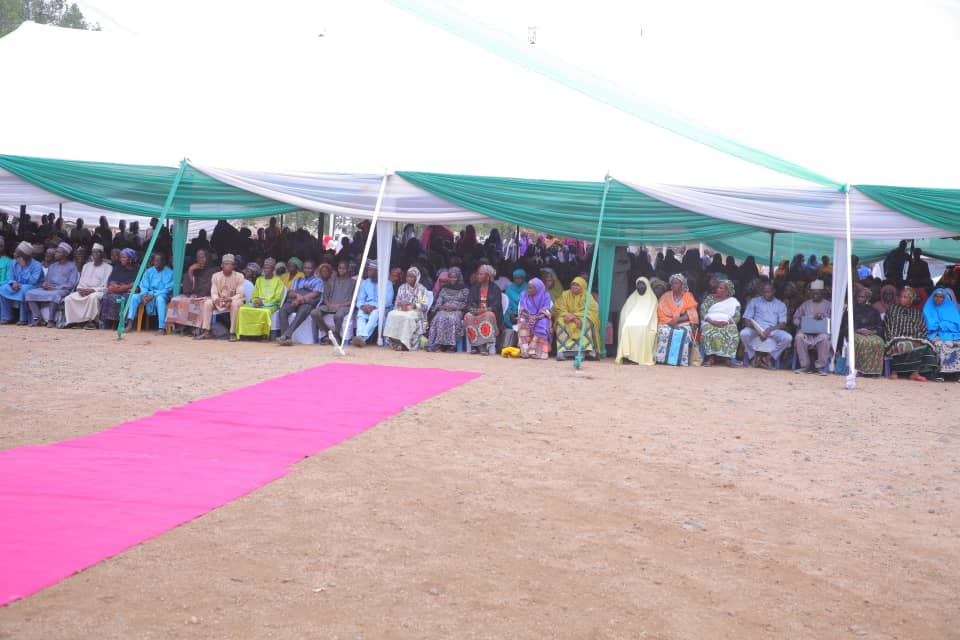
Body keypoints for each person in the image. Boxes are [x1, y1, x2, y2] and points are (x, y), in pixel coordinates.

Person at [884, 286, 939, 381]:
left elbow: (922, 328)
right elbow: (888, 325)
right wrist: (895, 336)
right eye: (901, 296)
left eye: (905, 297)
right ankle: (894, 371)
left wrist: (914, 336)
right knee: (902, 344)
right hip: (896, 337)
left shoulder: (917, 312)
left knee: (923, 346)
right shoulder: (892, 309)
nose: (902, 299)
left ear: (911, 299)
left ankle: (915, 372)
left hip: (915, 337)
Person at [25, 242, 78, 327]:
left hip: (62, 290)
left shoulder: (72, 266)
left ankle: (51, 320)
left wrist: (55, 288)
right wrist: (45, 285)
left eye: (58, 252)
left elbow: (71, 284)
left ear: (65, 254)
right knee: (29, 293)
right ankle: (38, 318)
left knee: (55, 295)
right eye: (56, 251)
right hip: (49, 289)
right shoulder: (52, 266)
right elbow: (47, 281)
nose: (55, 254)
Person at [739, 282, 791, 369]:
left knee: (788, 338)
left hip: (772, 330)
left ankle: (768, 358)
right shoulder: (754, 301)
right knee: (743, 334)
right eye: (764, 292)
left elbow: (783, 324)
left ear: (774, 291)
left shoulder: (780, 305)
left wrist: (769, 330)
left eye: (769, 292)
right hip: (756, 329)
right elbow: (747, 319)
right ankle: (754, 357)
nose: (766, 294)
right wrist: (758, 330)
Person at [165, 249, 216, 335]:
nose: (201, 260)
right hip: (194, 295)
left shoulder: (213, 270)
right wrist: (190, 271)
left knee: (199, 303)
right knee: (176, 300)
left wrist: (197, 294)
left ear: (208, 258)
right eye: (198, 258)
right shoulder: (194, 269)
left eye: (203, 257)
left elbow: (207, 287)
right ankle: (182, 327)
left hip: (207, 295)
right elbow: (187, 289)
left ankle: (195, 328)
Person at [838, 285, 886, 376]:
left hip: (870, 333)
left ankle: (873, 371)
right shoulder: (850, 309)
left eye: (862, 297)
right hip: (854, 333)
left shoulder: (873, 310)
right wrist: (856, 331)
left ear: (867, 298)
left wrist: (872, 332)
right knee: (861, 342)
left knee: (879, 342)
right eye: (858, 296)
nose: (859, 298)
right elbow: (845, 324)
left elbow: (879, 326)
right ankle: (858, 369)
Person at [654, 273, 700, 366]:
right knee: (664, 331)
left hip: (682, 322)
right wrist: (670, 322)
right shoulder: (665, 296)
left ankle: (680, 360)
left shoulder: (688, 296)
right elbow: (660, 312)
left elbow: (691, 313)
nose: (674, 285)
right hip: (667, 322)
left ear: (682, 285)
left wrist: (677, 320)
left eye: (677, 283)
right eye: (673, 283)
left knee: (684, 332)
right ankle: (662, 359)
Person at [198, 254, 246, 341]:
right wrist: (216, 299)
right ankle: (206, 331)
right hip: (220, 300)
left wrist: (230, 299)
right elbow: (214, 291)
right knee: (208, 303)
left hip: (233, 300)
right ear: (221, 265)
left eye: (230, 264)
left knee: (235, 304)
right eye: (226, 264)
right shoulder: (215, 276)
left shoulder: (239, 276)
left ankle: (232, 333)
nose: (228, 266)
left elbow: (240, 293)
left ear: (234, 266)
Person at [63, 243, 112, 329]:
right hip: (84, 290)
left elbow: (105, 285)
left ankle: (91, 322)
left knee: (92, 297)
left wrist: (92, 290)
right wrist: (80, 289)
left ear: (102, 254)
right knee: (69, 298)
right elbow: (81, 281)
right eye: (93, 252)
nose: (95, 255)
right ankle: (74, 322)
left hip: (98, 291)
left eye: (98, 252)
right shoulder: (86, 266)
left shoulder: (108, 267)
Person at [125, 252, 174, 335]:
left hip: (162, 295)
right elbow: (143, 285)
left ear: (164, 262)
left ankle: (162, 328)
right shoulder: (149, 271)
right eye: (155, 261)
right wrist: (144, 294)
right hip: (147, 294)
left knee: (160, 299)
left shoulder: (170, 273)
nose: (156, 263)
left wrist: (154, 295)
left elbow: (168, 288)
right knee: (133, 297)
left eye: (159, 261)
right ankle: (129, 324)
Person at [276, 260, 324, 345]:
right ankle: (286, 338)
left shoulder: (318, 281)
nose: (307, 270)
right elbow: (291, 292)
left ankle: (286, 335)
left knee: (302, 312)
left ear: (313, 269)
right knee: (283, 310)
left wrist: (300, 300)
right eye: (305, 268)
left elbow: (315, 293)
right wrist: (297, 297)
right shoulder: (298, 279)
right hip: (296, 300)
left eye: (309, 268)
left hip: (308, 302)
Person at [383, 266, 430, 351]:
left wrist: (414, 305)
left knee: (407, 318)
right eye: (408, 276)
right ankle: (395, 342)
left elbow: (425, 306)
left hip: (416, 312)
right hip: (402, 310)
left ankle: (405, 343)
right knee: (391, 314)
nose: (409, 278)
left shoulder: (422, 289)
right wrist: (401, 304)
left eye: (412, 277)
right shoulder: (402, 287)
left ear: (417, 278)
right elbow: (396, 302)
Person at [236, 257, 284, 339]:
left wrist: (263, 303)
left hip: (271, 304)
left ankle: (263, 334)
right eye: (265, 268)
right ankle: (244, 334)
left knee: (265, 311)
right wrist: (256, 301)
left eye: (268, 268)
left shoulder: (278, 281)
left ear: (273, 269)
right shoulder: (259, 280)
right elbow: (254, 294)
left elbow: (278, 297)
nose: (266, 270)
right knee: (242, 309)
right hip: (257, 303)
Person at [554, 275, 600, 361]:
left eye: (577, 285)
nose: (574, 287)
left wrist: (575, 316)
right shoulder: (565, 294)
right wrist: (572, 317)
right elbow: (559, 308)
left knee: (587, 322)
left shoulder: (587, 296)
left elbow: (591, 311)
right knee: (560, 322)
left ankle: (583, 349)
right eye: (573, 284)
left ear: (583, 286)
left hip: (581, 318)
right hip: (567, 317)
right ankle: (563, 350)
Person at [616, 276, 658, 365]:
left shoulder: (652, 298)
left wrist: (645, 323)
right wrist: (627, 321)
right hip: (632, 322)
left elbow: (652, 315)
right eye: (638, 285)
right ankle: (627, 357)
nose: (640, 287)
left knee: (643, 328)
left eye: (642, 285)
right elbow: (625, 312)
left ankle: (638, 358)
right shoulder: (632, 297)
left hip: (646, 323)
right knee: (626, 327)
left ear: (647, 286)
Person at [793, 280, 832, 375]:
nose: (815, 295)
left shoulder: (829, 305)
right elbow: (796, 318)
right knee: (799, 337)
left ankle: (820, 368)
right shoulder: (805, 304)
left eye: (817, 293)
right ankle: (805, 366)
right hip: (806, 332)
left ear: (822, 293)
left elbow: (834, 319)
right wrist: (800, 323)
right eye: (813, 293)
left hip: (821, 333)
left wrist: (824, 316)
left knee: (824, 338)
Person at [0, 241, 44, 325]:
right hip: (17, 285)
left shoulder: (36, 265)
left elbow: (33, 281)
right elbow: (11, 277)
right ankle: (6, 317)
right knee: (2, 289)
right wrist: (13, 283)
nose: (15, 253)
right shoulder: (13, 262)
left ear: (25, 254)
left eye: (17, 252)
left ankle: (23, 319)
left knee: (24, 289)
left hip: (34, 286)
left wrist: (24, 267)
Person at [351, 260, 394, 347]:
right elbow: (360, 299)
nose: (368, 272)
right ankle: (359, 336)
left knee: (375, 314)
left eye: (370, 270)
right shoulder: (365, 283)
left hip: (381, 309)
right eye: (368, 270)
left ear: (377, 271)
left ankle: (362, 337)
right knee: (360, 314)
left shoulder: (387, 284)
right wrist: (362, 306)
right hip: (366, 307)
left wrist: (374, 307)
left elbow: (388, 301)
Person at [426, 266, 468, 352]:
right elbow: (438, 302)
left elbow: (467, 304)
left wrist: (455, 308)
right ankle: (439, 344)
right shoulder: (444, 288)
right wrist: (443, 307)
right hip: (444, 309)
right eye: (450, 277)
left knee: (453, 319)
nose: (452, 279)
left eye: (455, 277)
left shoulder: (464, 289)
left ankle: (451, 345)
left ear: (459, 277)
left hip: (457, 310)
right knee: (439, 318)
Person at [464, 264, 503, 355]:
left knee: (488, 315)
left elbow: (496, 306)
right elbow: (469, 303)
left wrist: (483, 310)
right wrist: (472, 309)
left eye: (481, 274)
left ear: (488, 276)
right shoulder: (474, 288)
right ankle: (475, 344)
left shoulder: (495, 289)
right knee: (468, 316)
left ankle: (484, 345)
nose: (478, 276)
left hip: (489, 313)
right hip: (477, 312)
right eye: (478, 274)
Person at [700, 280, 740, 367]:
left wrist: (727, 322)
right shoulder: (709, 299)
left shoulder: (733, 301)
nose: (718, 289)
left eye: (721, 288)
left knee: (732, 331)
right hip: (710, 321)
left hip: (727, 323)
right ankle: (710, 358)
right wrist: (712, 321)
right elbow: (702, 312)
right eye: (717, 287)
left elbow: (737, 316)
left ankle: (727, 359)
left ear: (727, 291)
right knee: (707, 329)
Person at [311, 261, 354, 343]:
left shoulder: (353, 282)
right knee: (314, 312)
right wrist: (328, 304)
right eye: (340, 268)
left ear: (348, 270)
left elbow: (354, 300)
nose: (341, 270)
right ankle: (329, 334)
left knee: (338, 316)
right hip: (330, 305)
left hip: (344, 307)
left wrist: (339, 305)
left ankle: (337, 335)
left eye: (344, 268)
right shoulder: (331, 281)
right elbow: (325, 296)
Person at [923, 287, 960, 376]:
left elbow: (957, 326)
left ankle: (957, 373)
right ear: (933, 297)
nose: (938, 298)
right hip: (934, 335)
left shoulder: (951, 308)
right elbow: (930, 326)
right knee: (942, 344)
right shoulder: (928, 309)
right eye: (936, 296)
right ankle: (942, 373)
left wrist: (941, 324)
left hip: (952, 335)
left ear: (945, 298)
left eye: (941, 297)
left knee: (957, 344)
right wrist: (946, 324)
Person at [99, 248, 138, 328]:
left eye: (124, 257)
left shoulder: (137, 269)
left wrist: (125, 287)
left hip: (128, 291)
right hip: (118, 289)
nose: (121, 259)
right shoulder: (118, 267)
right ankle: (109, 322)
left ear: (130, 259)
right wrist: (116, 286)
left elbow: (136, 283)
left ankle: (123, 322)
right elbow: (111, 281)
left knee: (126, 297)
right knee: (107, 296)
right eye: (121, 257)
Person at [516, 277, 553, 359]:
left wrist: (536, 318)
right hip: (527, 316)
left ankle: (536, 352)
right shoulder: (524, 295)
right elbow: (522, 310)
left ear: (538, 289)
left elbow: (546, 311)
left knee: (543, 322)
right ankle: (525, 351)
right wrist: (530, 317)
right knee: (522, 321)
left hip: (540, 317)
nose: (528, 290)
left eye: (530, 288)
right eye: (528, 287)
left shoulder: (546, 296)